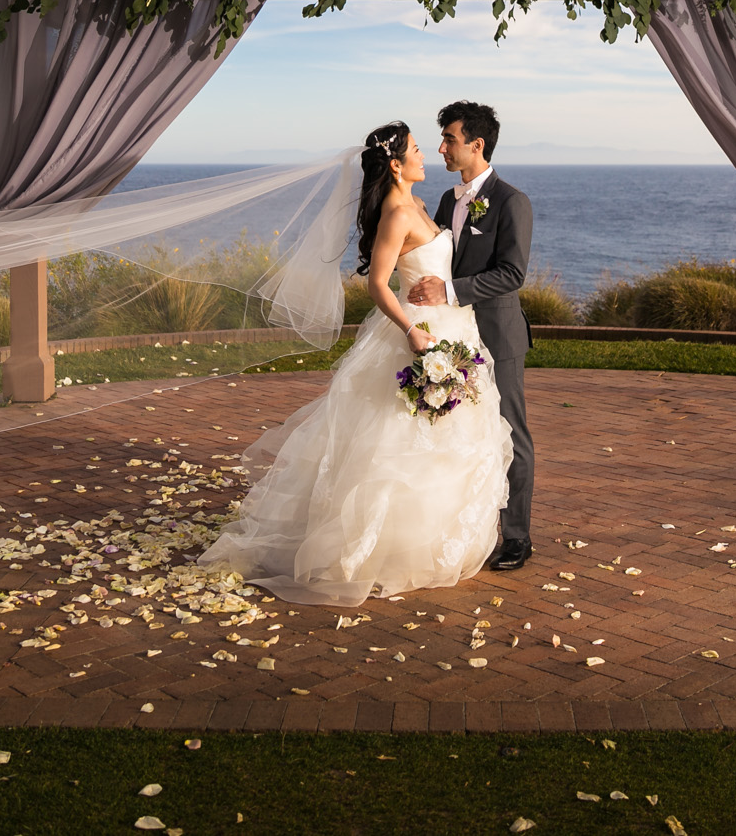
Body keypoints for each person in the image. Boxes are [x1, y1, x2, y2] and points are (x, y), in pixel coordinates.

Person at [197, 121, 512, 606]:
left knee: (450, 437)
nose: (425, 155)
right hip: (419, 333)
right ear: (395, 164)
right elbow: (378, 283)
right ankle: (385, 549)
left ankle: (435, 538)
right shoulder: (395, 214)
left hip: (455, 327)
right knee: (397, 440)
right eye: (416, 150)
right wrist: (411, 330)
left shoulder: (422, 206)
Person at [406, 101, 535, 571]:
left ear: (476, 145)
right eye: (440, 140)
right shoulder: (445, 200)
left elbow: (512, 273)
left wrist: (449, 290)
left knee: (510, 435)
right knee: (463, 435)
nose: (442, 148)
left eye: (450, 140)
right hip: (453, 338)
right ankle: (463, 531)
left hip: (497, 338)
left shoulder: (511, 201)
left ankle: (517, 537)